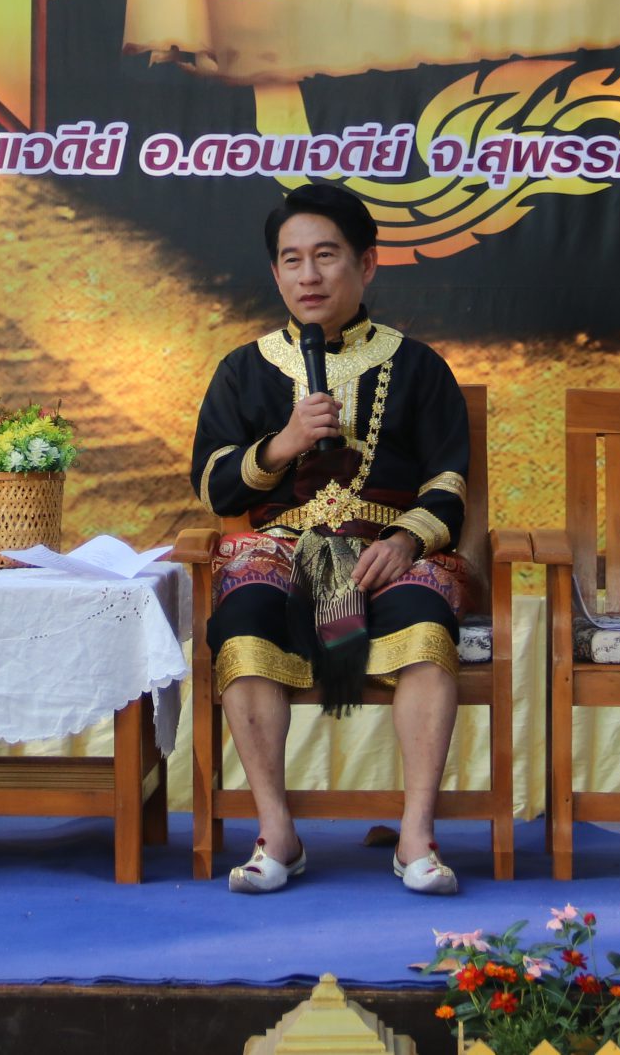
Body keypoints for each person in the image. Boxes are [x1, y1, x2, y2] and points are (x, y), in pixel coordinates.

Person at [189, 183, 473, 896]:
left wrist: (408, 540)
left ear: (367, 264)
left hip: (387, 555)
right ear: (275, 273)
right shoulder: (244, 369)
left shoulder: (418, 366)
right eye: (291, 260)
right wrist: (280, 444)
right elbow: (215, 485)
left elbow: (449, 481)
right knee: (243, 618)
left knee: (427, 622)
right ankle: (276, 829)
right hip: (280, 553)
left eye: (326, 256)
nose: (308, 276)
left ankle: (415, 835)